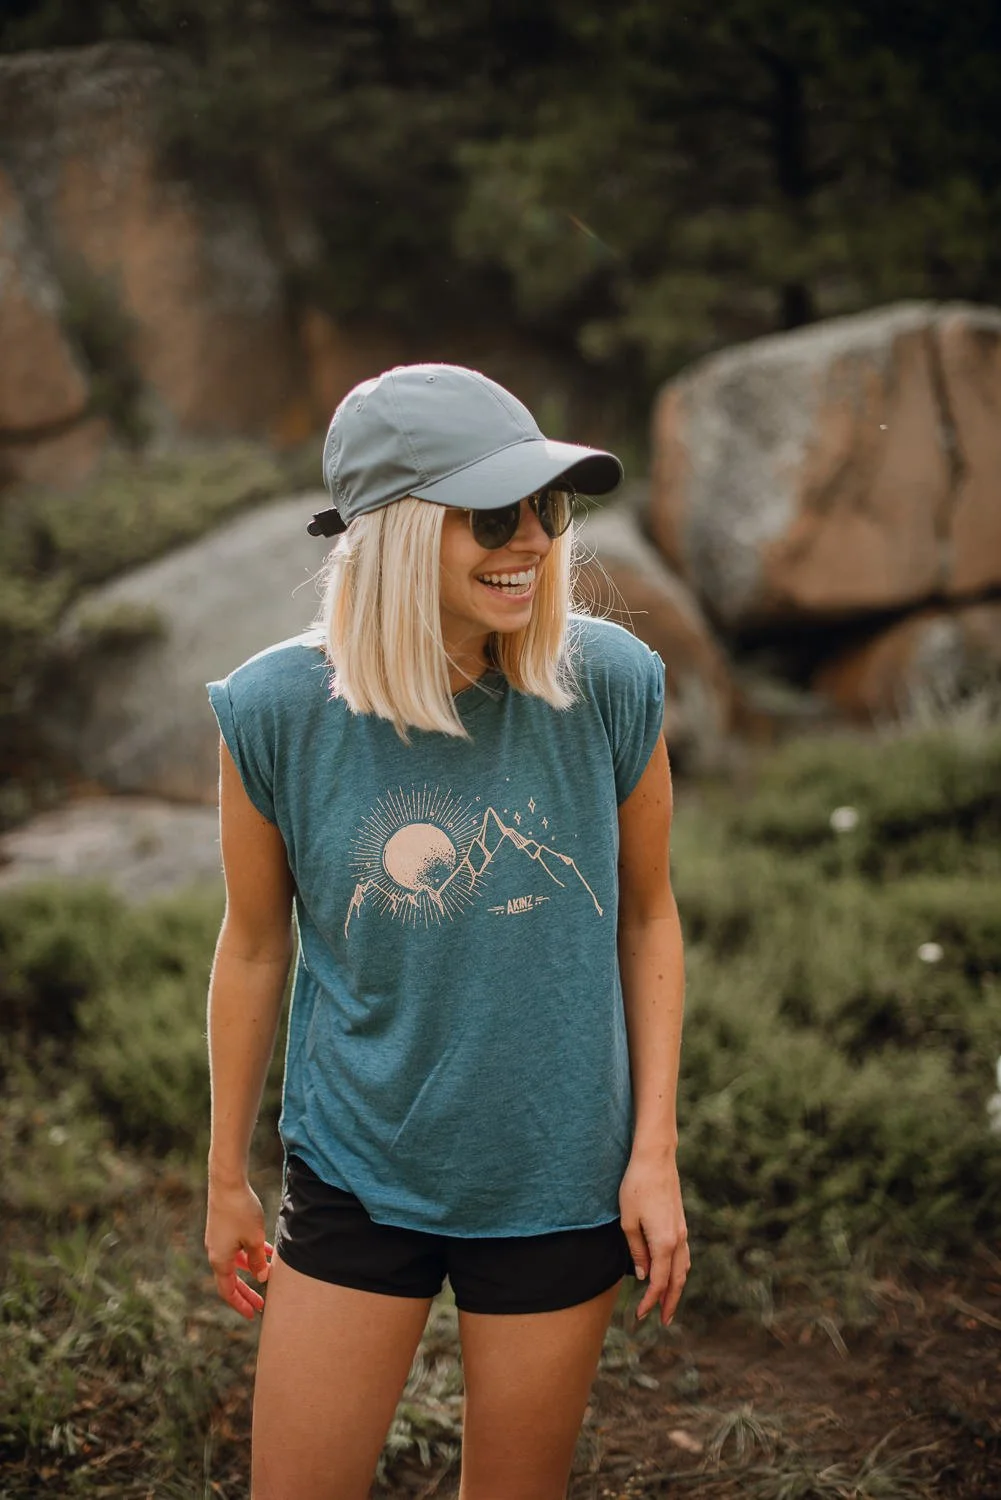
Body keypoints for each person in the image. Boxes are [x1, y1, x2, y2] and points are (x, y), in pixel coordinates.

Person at [203, 363, 688, 1500]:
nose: (529, 540)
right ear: (394, 532)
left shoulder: (609, 684)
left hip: (555, 1177)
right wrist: (225, 1170)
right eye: (489, 515)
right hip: (355, 1168)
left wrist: (652, 1153)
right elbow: (256, 946)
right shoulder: (274, 713)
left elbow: (650, 917)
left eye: (547, 508)